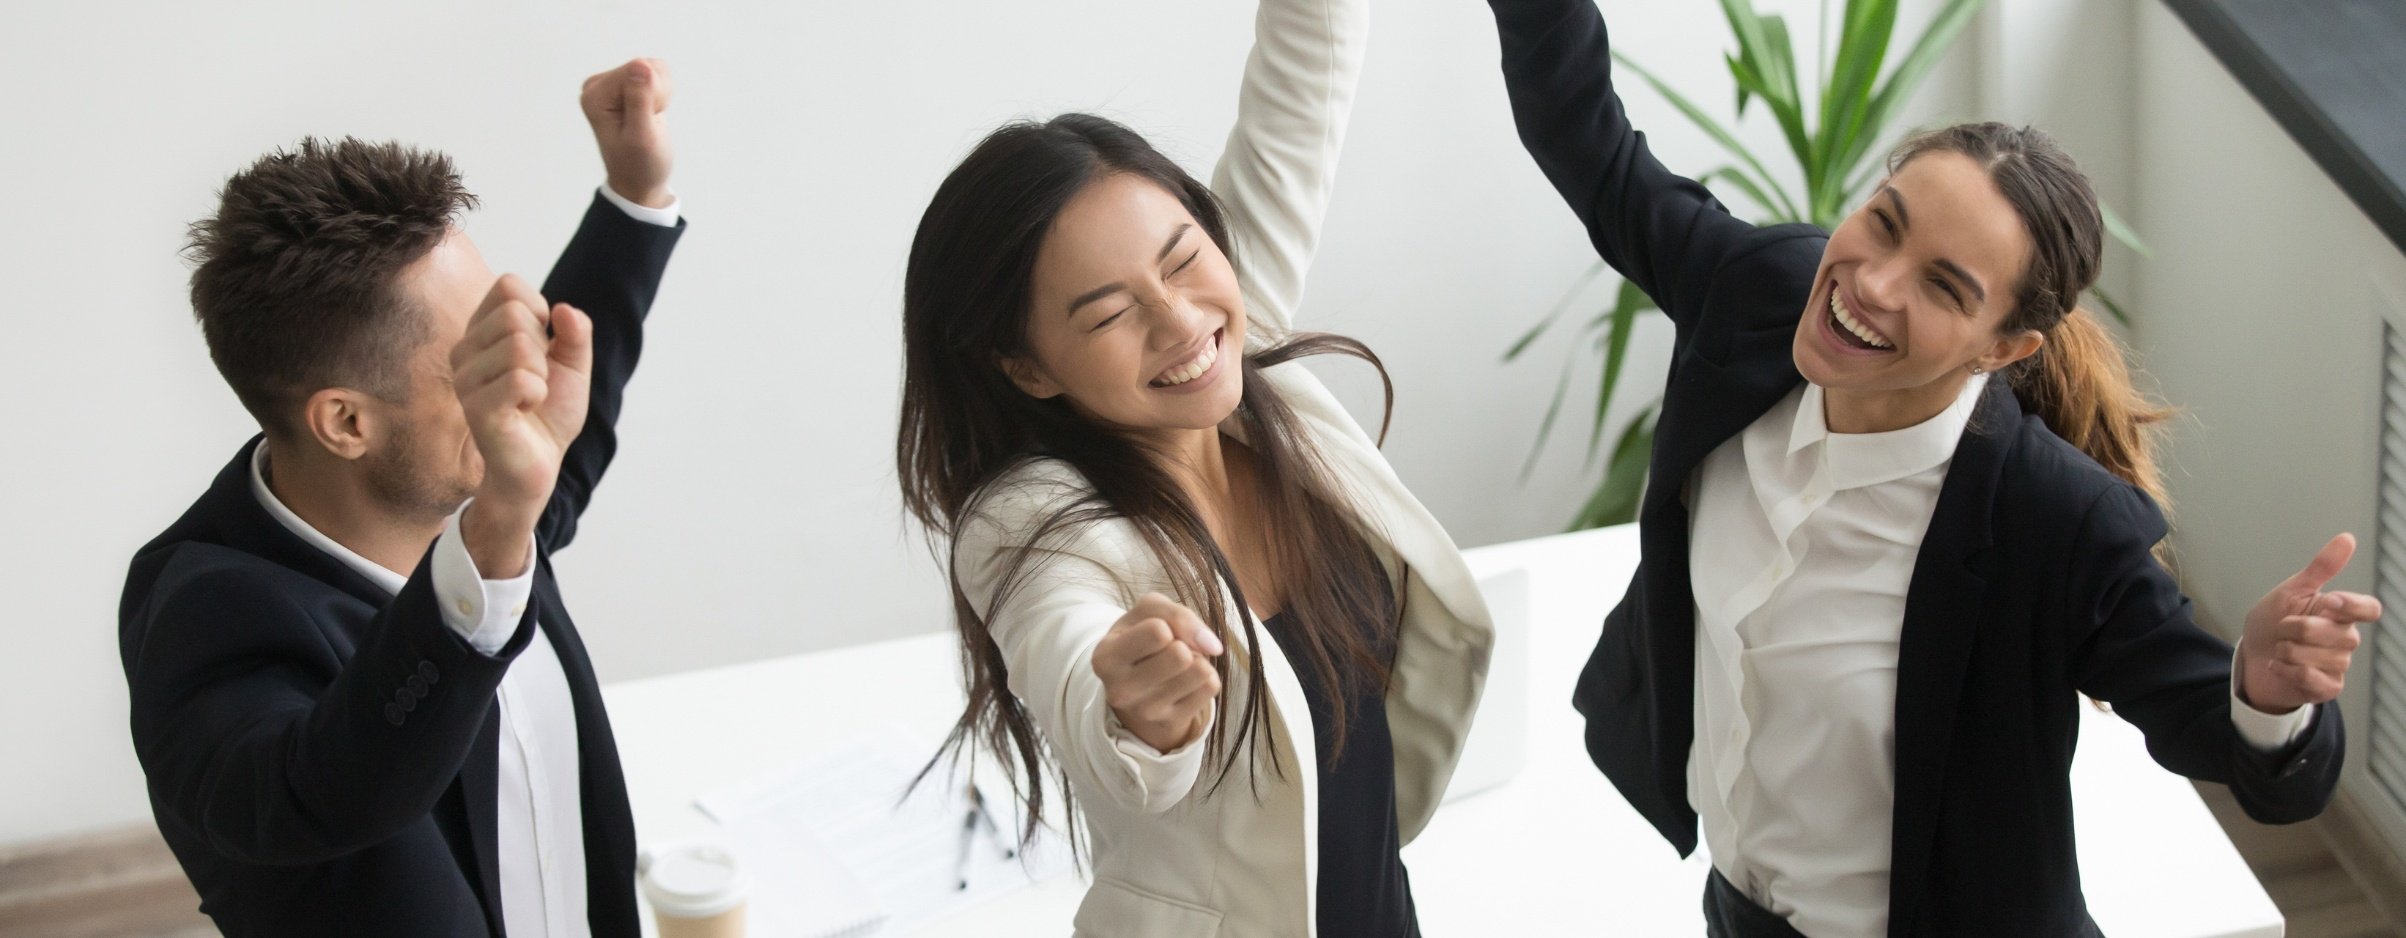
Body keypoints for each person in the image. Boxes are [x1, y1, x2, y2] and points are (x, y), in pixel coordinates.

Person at [1478, 1, 2373, 934]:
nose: (1872, 283)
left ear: (2004, 347)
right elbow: (1585, 137)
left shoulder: (2053, 524)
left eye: (1944, 287)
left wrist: (2268, 695)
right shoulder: (1756, 293)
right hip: (1737, 911)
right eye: (1884, 222)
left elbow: (2243, 757)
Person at [895, 0, 1492, 934]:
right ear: (1027, 367)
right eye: (1104, 315)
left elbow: (1306, 82)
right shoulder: (1026, 522)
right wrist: (1135, 712)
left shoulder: (1229, 351)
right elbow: (1076, 671)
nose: (1177, 322)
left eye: (1182, 260)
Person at [118, 59, 684, 937]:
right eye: (479, 365)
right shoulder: (202, 622)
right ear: (346, 422)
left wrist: (633, 196)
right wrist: (499, 525)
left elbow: (576, 395)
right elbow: (322, 790)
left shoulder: (457, 479)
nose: (522, 392)